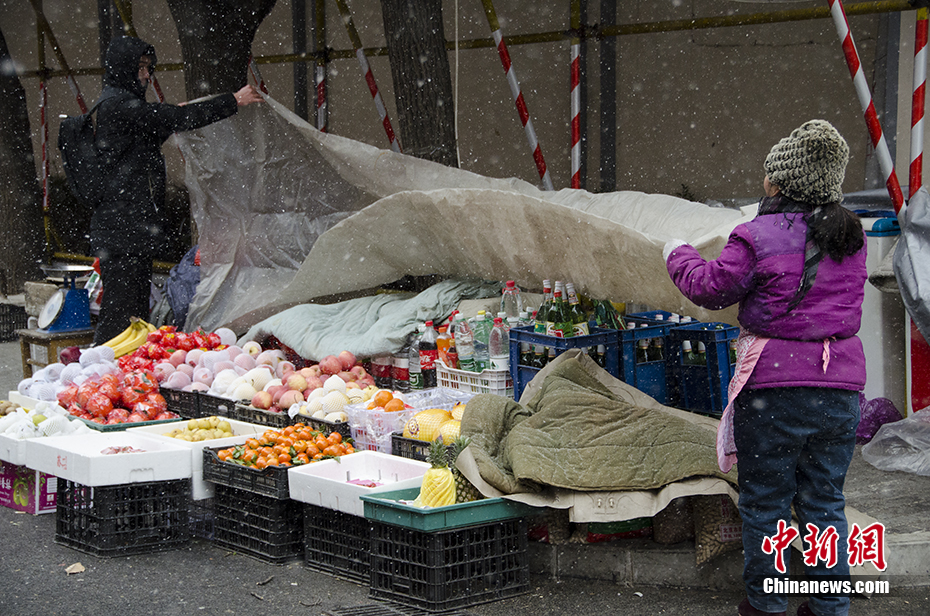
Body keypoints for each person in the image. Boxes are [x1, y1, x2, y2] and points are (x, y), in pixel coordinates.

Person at [664, 119, 867, 616]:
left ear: (779, 183)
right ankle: (829, 608)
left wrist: (677, 253)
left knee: (769, 504)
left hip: (773, 390)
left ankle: (768, 606)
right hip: (840, 388)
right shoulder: (851, 236)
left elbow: (711, 288)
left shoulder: (757, 236)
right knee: (823, 503)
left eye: (766, 176)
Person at [91, 36, 263, 344]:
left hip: (127, 229)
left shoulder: (121, 106)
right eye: (140, 68)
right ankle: (105, 366)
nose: (146, 75)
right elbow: (178, 118)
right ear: (123, 68)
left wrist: (169, 120)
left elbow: (144, 142)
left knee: (130, 307)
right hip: (122, 231)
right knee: (122, 310)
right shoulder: (119, 106)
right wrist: (233, 100)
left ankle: (121, 366)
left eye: (148, 67)